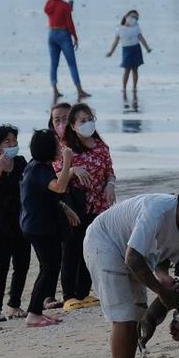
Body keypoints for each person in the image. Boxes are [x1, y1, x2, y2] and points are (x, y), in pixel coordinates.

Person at [84, 190, 179, 358]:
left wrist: (163, 276)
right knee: (124, 315)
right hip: (104, 242)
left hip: (133, 253)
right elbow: (132, 259)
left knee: (137, 313)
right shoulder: (156, 211)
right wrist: (162, 292)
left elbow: (163, 256)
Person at [55, 104, 116, 311]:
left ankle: (84, 291)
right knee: (72, 249)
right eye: (82, 120)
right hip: (75, 205)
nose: (87, 123)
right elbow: (54, 178)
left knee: (91, 248)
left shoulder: (101, 146)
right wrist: (72, 169)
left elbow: (110, 171)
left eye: (90, 119)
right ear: (73, 125)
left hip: (98, 204)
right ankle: (69, 295)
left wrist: (110, 185)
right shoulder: (65, 149)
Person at [20, 129, 77, 327]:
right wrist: (68, 162)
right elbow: (60, 187)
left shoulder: (41, 166)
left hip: (41, 224)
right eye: (57, 143)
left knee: (50, 267)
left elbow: (48, 194)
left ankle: (36, 311)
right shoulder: (37, 169)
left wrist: (65, 208)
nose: (61, 147)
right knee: (48, 268)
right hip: (37, 227)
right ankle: (33, 314)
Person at [0, 125, 30, 321]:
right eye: (7, 141)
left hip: (21, 222)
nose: (12, 144)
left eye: (14, 140)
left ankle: (14, 305)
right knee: (0, 265)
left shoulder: (21, 162)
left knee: (22, 264)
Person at [44, 0, 90, 100]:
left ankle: (55, 90)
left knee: (54, 64)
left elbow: (48, 9)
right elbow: (69, 23)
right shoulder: (65, 6)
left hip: (51, 34)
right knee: (71, 63)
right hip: (63, 34)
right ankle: (79, 90)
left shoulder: (49, 4)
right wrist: (75, 37)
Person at [106, 10, 153, 102]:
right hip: (126, 50)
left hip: (136, 48)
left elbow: (141, 38)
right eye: (132, 16)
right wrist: (111, 52)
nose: (133, 19)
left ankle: (134, 87)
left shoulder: (136, 27)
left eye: (136, 17)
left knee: (135, 69)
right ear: (127, 16)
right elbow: (116, 41)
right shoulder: (120, 28)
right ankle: (124, 88)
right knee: (127, 70)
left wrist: (147, 48)